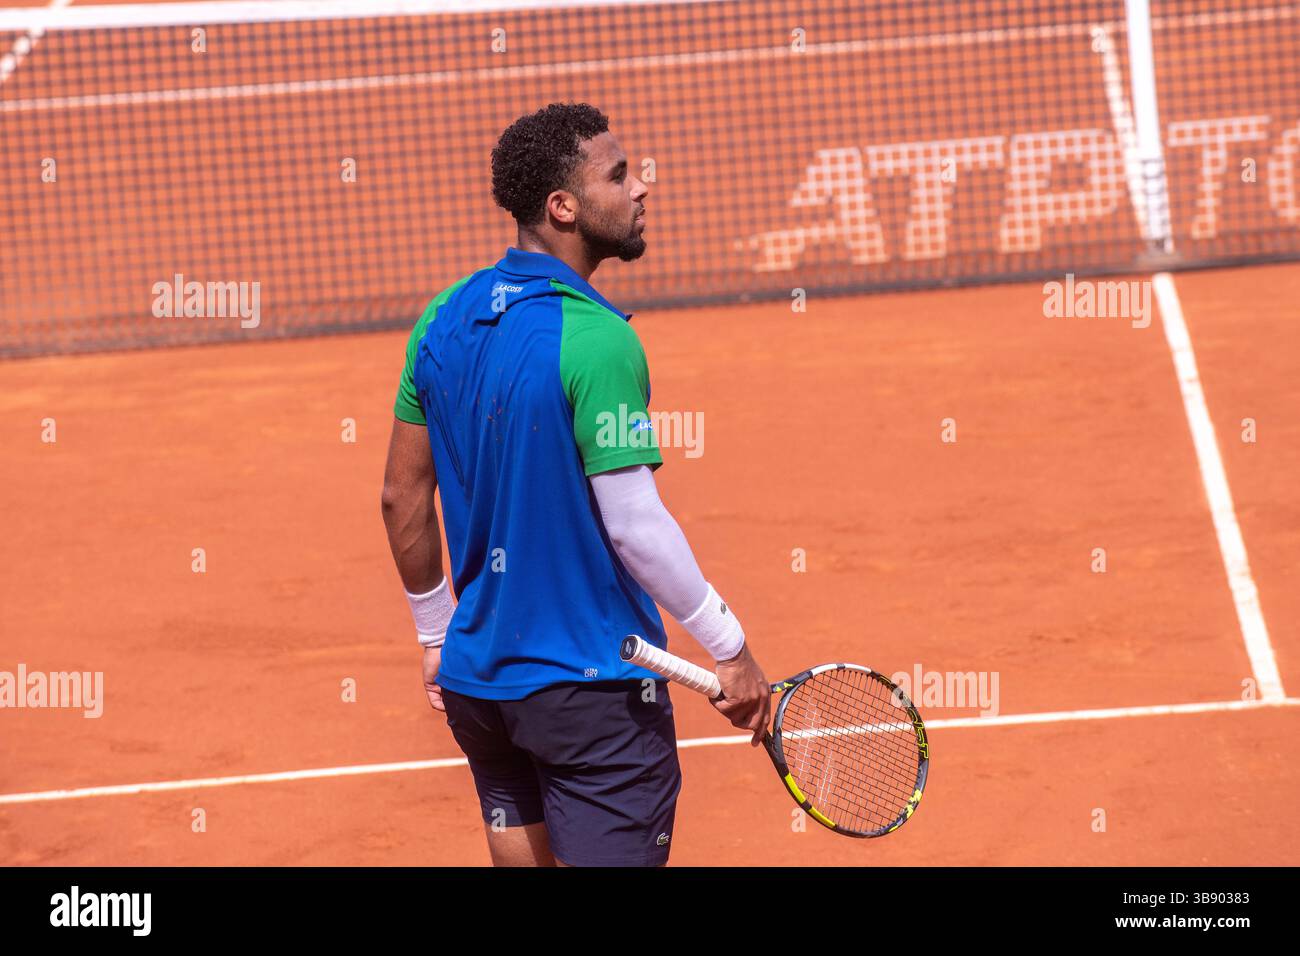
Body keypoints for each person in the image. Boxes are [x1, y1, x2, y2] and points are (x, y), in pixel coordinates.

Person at [380, 102, 769, 867]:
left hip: (480, 684)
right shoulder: (597, 341)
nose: (640, 188)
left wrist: (435, 636)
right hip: (591, 698)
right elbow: (634, 526)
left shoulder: (441, 320)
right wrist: (731, 647)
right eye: (618, 175)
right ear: (563, 207)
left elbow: (401, 498)